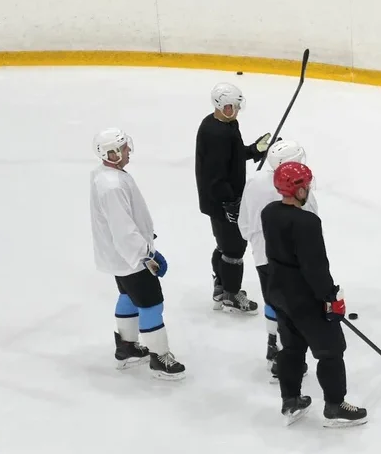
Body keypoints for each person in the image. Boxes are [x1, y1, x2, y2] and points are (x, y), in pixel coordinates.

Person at [261, 161, 367, 427]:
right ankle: (335, 406)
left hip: (279, 294)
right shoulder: (307, 222)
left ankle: (291, 400)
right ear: (297, 190)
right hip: (305, 297)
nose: (308, 189)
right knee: (331, 350)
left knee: (292, 348)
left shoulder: (269, 213)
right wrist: (331, 297)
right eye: (305, 186)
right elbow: (315, 267)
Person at [89, 128, 185, 380]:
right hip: (130, 257)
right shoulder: (112, 185)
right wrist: (146, 255)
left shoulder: (105, 175)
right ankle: (159, 357)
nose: (128, 150)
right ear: (110, 153)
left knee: (128, 296)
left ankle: (127, 348)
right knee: (152, 302)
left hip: (120, 257)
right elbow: (123, 229)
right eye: (122, 148)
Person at [238, 139, 318, 377]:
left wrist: (256, 244)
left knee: (274, 301)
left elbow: (244, 223)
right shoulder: (301, 192)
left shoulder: (254, 180)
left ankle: (273, 346)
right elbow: (312, 227)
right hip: (292, 262)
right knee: (291, 307)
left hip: (262, 255)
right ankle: (285, 356)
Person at [194, 82, 271, 314]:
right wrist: (231, 202)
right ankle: (231, 294)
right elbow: (215, 176)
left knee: (224, 244)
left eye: (236, 106)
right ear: (218, 105)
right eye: (229, 107)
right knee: (234, 250)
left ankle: (221, 287)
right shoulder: (216, 133)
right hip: (221, 201)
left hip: (219, 199)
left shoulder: (223, 125)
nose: (234, 111)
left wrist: (254, 150)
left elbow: (232, 158)